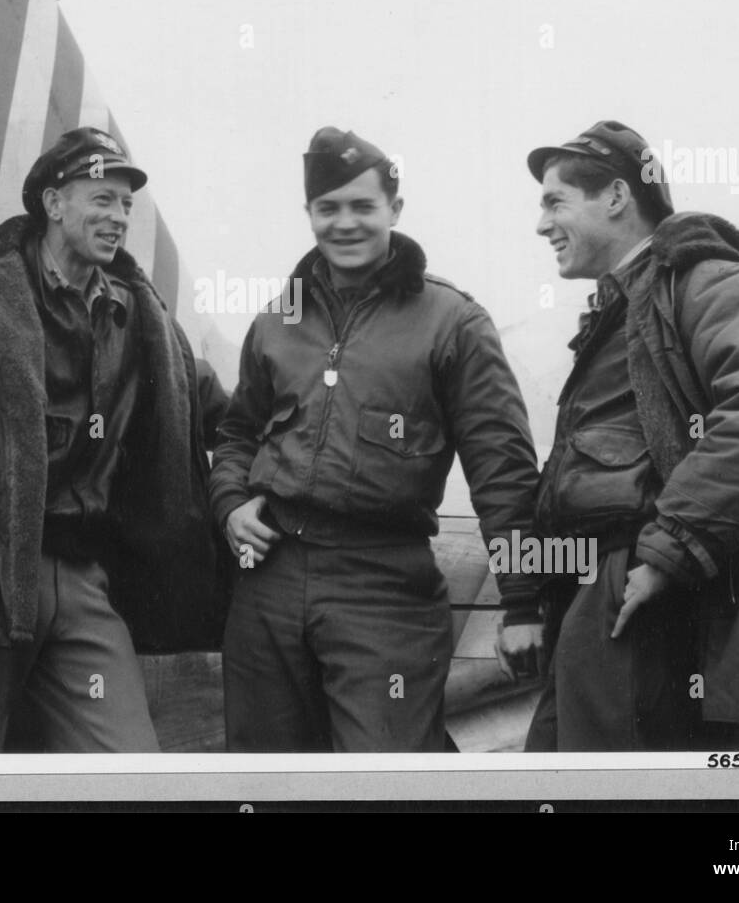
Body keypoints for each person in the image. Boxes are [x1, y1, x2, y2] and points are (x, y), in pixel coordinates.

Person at [0, 126, 227, 752]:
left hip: (87, 578)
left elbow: (218, 410)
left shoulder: (137, 314)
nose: (118, 217)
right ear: (53, 202)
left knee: (134, 771)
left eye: (125, 204)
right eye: (102, 199)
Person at [210, 126, 542, 752]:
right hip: (269, 585)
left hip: (384, 589)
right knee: (266, 777)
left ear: (396, 209)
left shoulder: (453, 323)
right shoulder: (278, 318)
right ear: (308, 214)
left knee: (389, 779)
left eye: (363, 206)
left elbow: (503, 473)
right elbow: (235, 432)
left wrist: (523, 602)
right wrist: (230, 501)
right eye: (327, 208)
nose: (345, 224)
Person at [523, 119, 739, 751]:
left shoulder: (701, 280)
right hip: (601, 596)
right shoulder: (621, 305)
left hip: (650, 589)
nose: (541, 224)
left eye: (554, 201)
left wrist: (666, 550)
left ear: (618, 198)